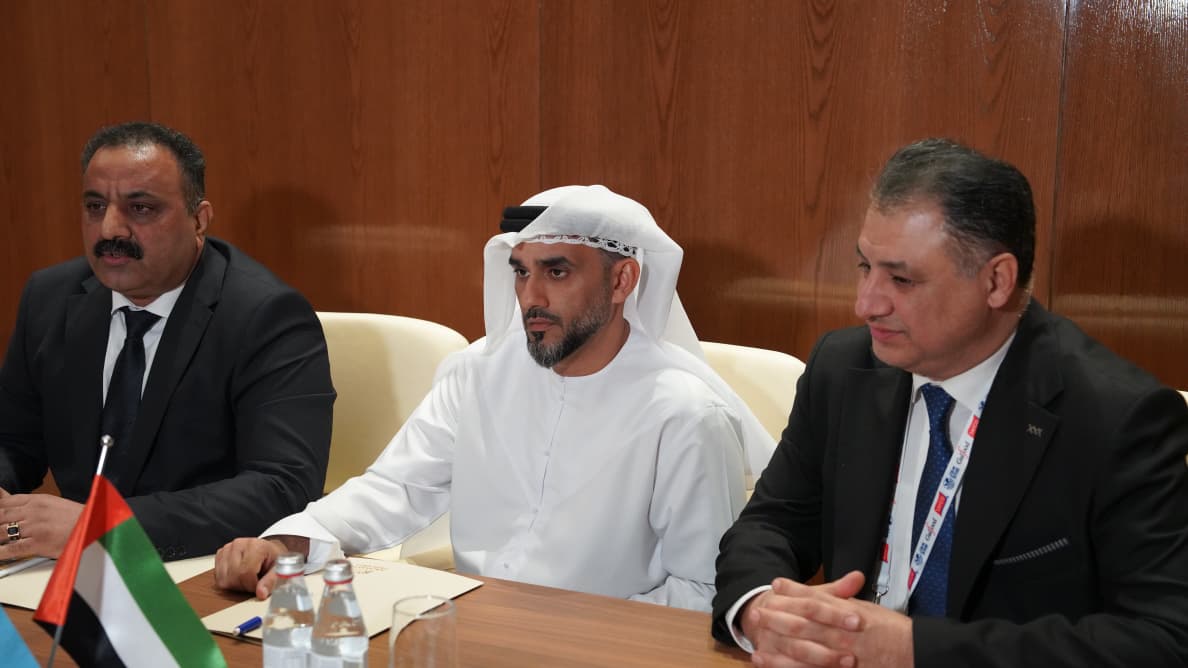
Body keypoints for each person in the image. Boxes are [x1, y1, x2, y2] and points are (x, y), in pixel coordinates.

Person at [712, 139, 1188, 666]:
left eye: (901, 279)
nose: (865, 303)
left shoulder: (1117, 418)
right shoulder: (843, 368)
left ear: (996, 281)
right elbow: (772, 522)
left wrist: (914, 650)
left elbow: (1164, 638)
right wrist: (759, 608)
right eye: (865, 267)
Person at [214, 185, 774, 612]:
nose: (531, 296)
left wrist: (564, 638)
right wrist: (289, 541)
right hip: (471, 629)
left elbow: (702, 589)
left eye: (557, 272)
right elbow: (396, 488)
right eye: (521, 272)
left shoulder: (685, 415)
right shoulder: (478, 373)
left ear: (622, 281)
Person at [0, 121, 334, 561]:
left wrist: (105, 527)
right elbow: (14, 441)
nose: (109, 230)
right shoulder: (49, 298)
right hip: (73, 570)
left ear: (199, 220)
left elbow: (282, 486)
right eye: (95, 206)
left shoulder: (267, 316)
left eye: (140, 208)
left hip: (199, 567)